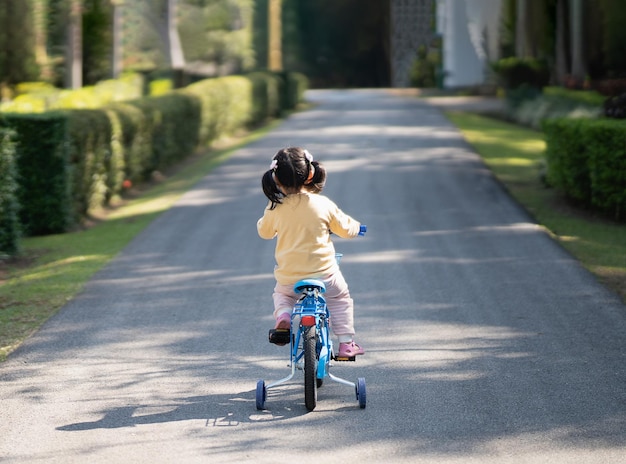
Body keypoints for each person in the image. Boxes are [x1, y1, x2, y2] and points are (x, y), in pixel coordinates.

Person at [257, 147, 365, 357]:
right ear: (309, 174)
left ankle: (284, 315)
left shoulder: (275, 207)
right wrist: (357, 228)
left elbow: (265, 231)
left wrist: (264, 220)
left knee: (283, 295)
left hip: (290, 277)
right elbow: (345, 228)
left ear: (276, 180)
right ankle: (345, 343)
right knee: (340, 297)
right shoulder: (323, 204)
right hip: (325, 275)